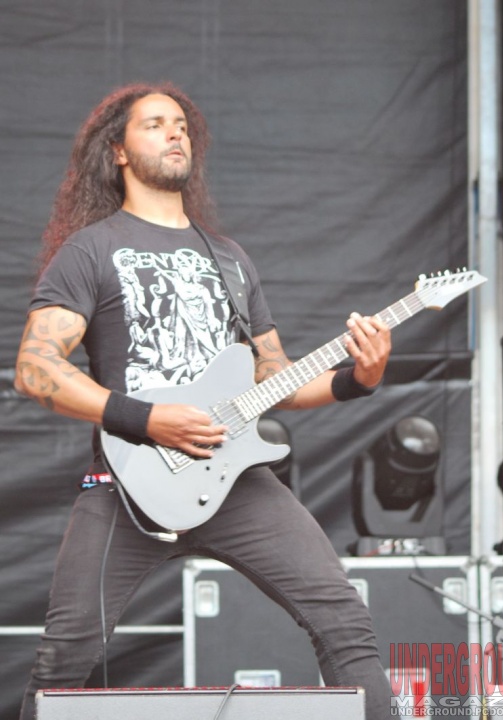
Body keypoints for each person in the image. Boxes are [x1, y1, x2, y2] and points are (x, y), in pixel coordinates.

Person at [14, 81, 393, 720]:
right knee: (64, 660)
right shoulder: (92, 250)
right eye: (155, 124)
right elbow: (35, 367)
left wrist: (360, 377)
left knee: (345, 621)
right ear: (118, 152)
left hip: (235, 481)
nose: (175, 132)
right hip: (128, 484)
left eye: (182, 125)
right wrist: (145, 419)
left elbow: (275, 380)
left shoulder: (230, 259)